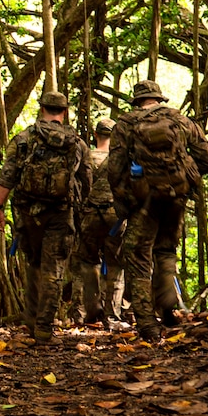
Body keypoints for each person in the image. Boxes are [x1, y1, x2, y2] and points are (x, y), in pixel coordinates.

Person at [105, 80, 208, 343]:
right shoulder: (181, 121)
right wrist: (184, 180)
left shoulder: (125, 124)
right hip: (175, 199)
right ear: (159, 99)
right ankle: (168, 307)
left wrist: (125, 200)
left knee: (137, 257)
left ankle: (147, 324)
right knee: (166, 250)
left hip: (144, 202)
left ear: (137, 101)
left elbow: (115, 169)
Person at [0, 90, 90, 344]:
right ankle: (44, 328)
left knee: (34, 264)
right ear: (64, 112)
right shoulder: (76, 143)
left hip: (27, 213)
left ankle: (31, 322)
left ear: (42, 109)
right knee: (54, 269)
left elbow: (8, 175)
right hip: (60, 213)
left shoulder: (24, 139)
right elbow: (86, 181)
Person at [75, 118, 124, 327]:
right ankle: (112, 315)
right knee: (116, 264)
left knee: (87, 262)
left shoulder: (85, 157)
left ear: (96, 135)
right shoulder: (119, 159)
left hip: (89, 215)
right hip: (115, 215)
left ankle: (89, 309)